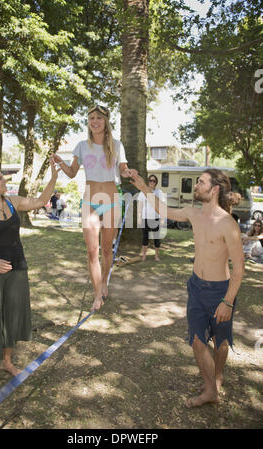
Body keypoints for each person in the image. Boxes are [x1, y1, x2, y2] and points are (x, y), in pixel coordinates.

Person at [131, 168, 244, 408]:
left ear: (214, 189)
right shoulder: (193, 213)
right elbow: (164, 210)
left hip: (219, 291)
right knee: (196, 341)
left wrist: (228, 301)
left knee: (220, 340)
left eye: (200, 182)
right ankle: (210, 389)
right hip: (195, 286)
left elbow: (239, 269)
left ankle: (217, 377)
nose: (196, 185)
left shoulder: (228, 224)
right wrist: (143, 187)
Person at [0, 158, 59, 396]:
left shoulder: (13, 202)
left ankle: (6, 362)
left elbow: (40, 201)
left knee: (12, 317)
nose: (4, 180)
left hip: (17, 269)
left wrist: (54, 178)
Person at [52, 104, 137, 311]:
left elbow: (123, 169)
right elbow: (72, 173)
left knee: (107, 249)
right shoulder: (82, 145)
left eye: (99, 118)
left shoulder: (116, 145)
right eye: (91, 118)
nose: (95, 122)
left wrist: (128, 173)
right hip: (89, 201)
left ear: (106, 121)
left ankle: (105, 281)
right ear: (88, 122)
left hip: (111, 201)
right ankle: (97, 294)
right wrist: (60, 161)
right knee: (92, 252)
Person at [137, 174, 164, 262]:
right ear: (148, 182)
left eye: (154, 181)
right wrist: (139, 217)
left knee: (157, 238)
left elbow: (162, 206)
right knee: (145, 238)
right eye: (150, 181)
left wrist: (162, 218)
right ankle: (144, 255)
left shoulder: (159, 192)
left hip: (156, 218)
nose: (152, 182)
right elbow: (140, 206)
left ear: (156, 183)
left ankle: (156, 256)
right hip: (145, 218)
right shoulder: (143, 192)